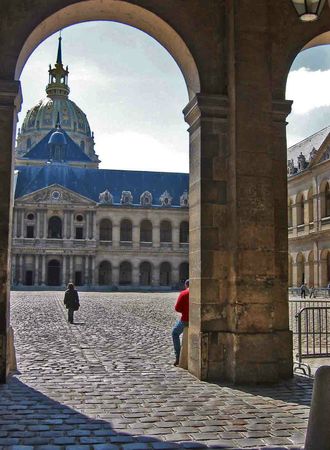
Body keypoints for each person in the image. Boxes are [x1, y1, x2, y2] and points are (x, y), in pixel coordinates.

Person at [172, 279, 189, 366]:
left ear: (186, 285)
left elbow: (177, 308)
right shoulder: (201, 292)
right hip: (200, 320)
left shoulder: (184, 293)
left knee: (175, 333)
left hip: (186, 320)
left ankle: (178, 356)